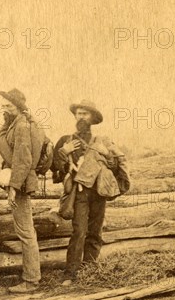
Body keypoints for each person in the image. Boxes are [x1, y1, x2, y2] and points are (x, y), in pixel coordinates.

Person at [52, 99, 129, 285]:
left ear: (92, 118)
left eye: (85, 113)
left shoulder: (103, 141)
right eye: (78, 113)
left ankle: (90, 269)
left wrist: (106, 155)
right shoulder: (65, 140)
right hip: (78, 193)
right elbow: (55, 169)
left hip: (98, 192)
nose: (81, 116)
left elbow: (115, 166)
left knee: (95, 231)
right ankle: (70, 273)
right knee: (79, 231)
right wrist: (63, 152)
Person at [0, 89, 44, 293]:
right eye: (3, 105)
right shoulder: (12, 123)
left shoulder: (22, 125)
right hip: (12, 175)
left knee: (25, 231)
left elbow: (24, 160)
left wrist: (13, 189)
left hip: (20, 181)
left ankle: (31, 280)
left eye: (9, 106)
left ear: (19, 107)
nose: (4, 109)